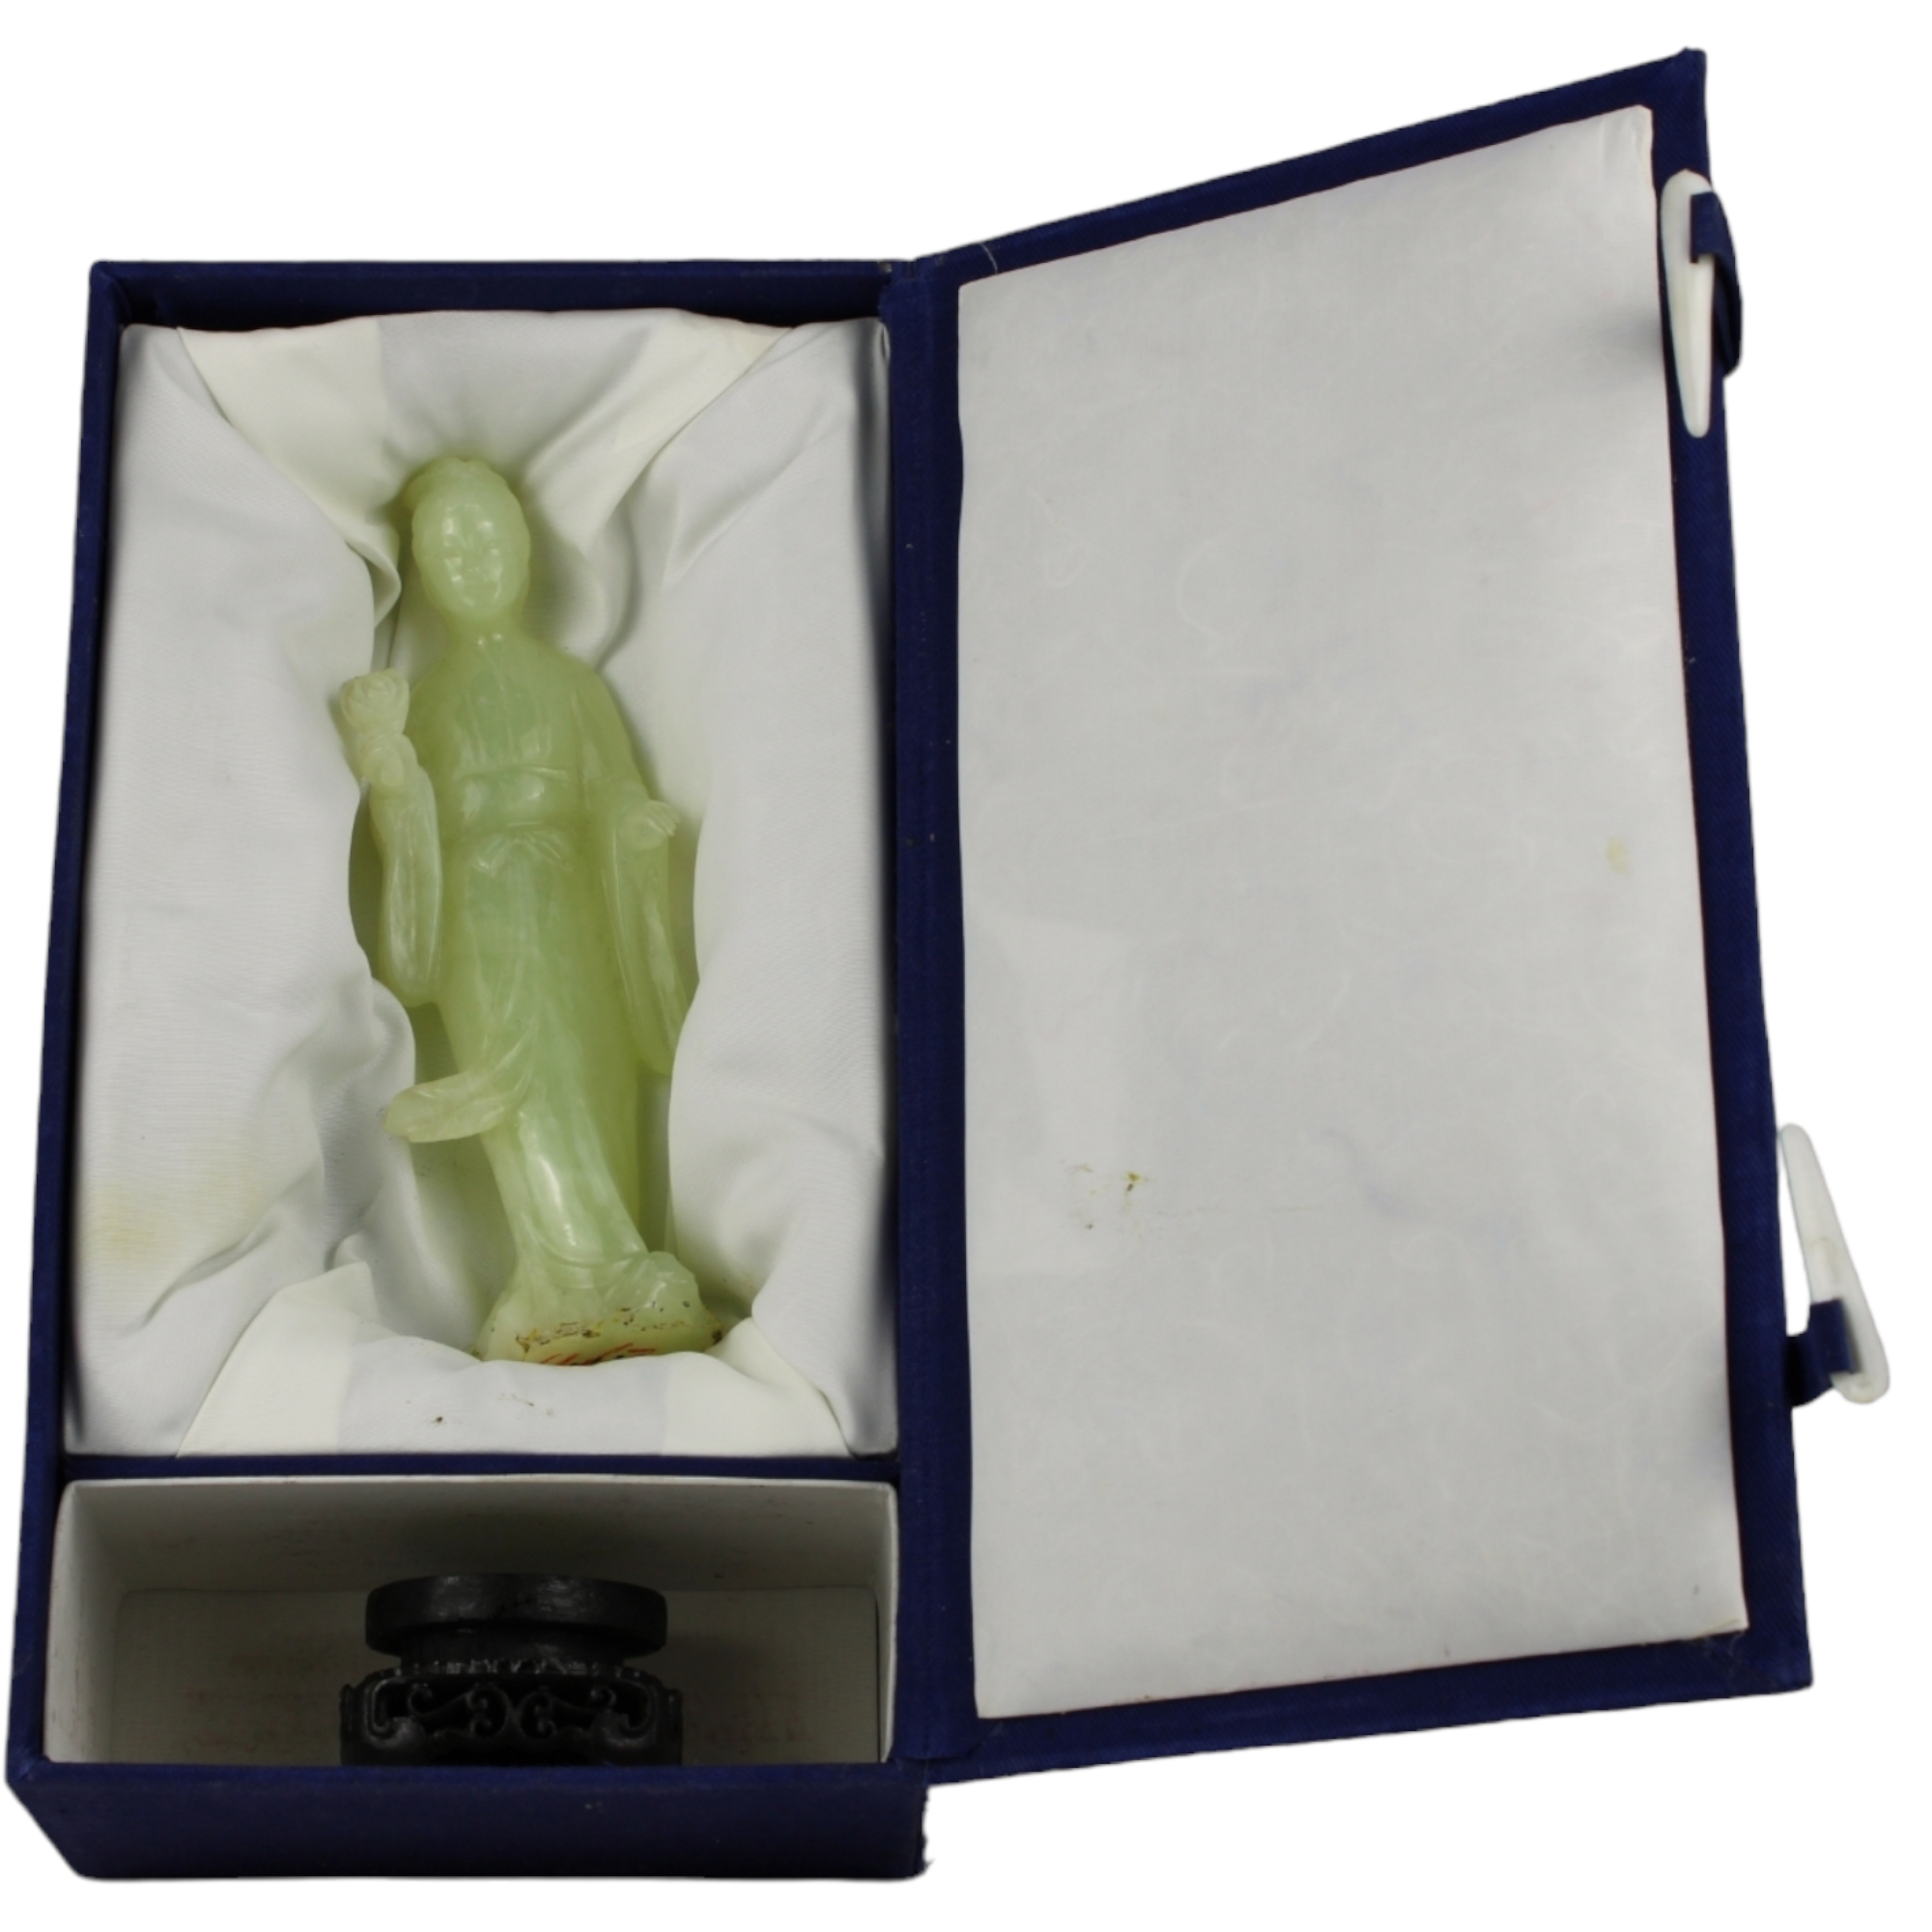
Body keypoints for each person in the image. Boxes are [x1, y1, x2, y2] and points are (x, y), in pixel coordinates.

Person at [339, 455, 719, 1365]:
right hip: (481, 917)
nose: (473, 565)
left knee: (589, 1075)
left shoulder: (573, 686)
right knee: (524, 1091)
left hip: (574, 900)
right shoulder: (432, 701)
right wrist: (391, 770)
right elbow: (411, 822)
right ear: (428, 575)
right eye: (449, 551)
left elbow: (612, 790)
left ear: (522, 551)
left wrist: (632, 831)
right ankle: (563, 1278)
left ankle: (620, 1259)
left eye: (488, 542)